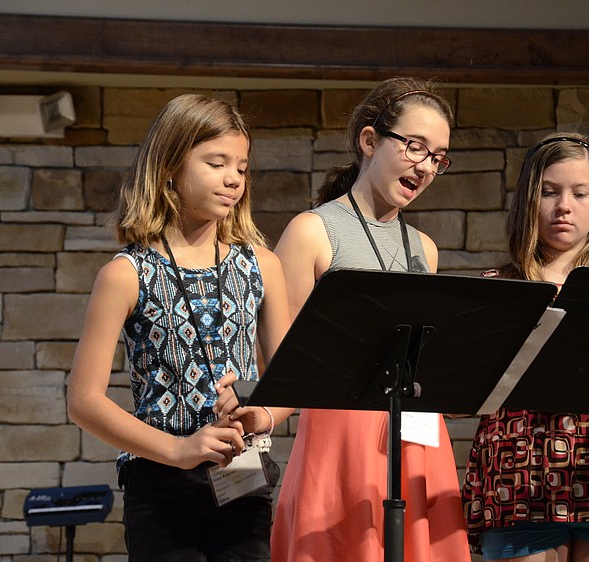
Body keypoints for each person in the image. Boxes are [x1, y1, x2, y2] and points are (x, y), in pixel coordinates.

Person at [66, 93, 291, 561]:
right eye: (216, 162)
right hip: (160, 483)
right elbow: (84, 401)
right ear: (169, 164)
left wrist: (261, 413)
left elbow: (292, 378)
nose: (233, 178)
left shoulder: (262, 265)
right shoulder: (126, 273)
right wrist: (178, 450)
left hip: (243, 473)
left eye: (242, 167)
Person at [270, 77, 471, 562]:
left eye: (438, 157)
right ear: (369, 141)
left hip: (420, 445)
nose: (426, 167)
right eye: (415, 147)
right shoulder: (312, 231)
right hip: (340, 448)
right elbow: (279, 363)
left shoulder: (424, 248)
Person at [461, 133, 589, 562]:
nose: (564, 206)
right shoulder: (499, 288)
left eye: (580, 193)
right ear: (527, 202)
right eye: (549, 192)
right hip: (520, 474)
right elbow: (465, 392)